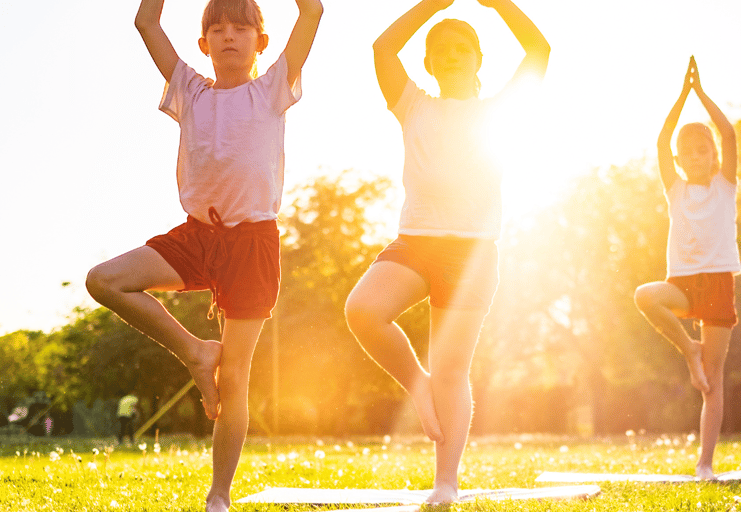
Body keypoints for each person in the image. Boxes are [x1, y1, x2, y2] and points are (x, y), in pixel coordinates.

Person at [85, 0, 322, 509]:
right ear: (204, 44)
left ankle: (219, 496)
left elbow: (312, 12)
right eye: (217, 29)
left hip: (253, 244)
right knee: (103, 280)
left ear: (261, 41)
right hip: (197, 237)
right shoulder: (189, 89)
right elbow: (146, 22)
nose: (229, 36)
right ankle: (195, 350)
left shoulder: (272, 87)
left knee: (235, 379)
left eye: (242, 28)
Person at [345, 0, 549, 503]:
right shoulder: (412, 104)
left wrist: (497, 4)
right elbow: (382, 47)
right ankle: (418, 385)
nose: (452, 55)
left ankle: (445, 482)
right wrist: (434, 4)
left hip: (473, 254)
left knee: (453, 370)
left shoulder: (500, 111)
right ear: (428, 63)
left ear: (479, 59)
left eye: (462, 48)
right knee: (363, 310)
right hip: (415, 241)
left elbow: (539, 50)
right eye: (441, 50)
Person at [634, 56, 740, 481]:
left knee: (711, 383)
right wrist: (680, 97)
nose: (696, 156)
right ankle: (689, 349)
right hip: (681, 283)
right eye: (688, 152)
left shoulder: (725, 186)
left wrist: (701, 95)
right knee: (645, 295)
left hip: (717, 283)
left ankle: (705, 463)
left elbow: (730, 134)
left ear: (713, 155)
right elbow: (660, 142)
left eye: (704, 149)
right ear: (678, 159)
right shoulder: (675, 190)